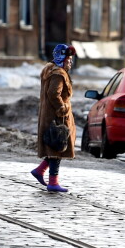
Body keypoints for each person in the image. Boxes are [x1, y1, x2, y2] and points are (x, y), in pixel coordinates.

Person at [32, 44, 77, 192]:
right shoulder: (58, 73)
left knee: (54, 148)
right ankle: (53, 182)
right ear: (61, 58)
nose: (70, 62)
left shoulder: (50, 70)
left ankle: (40, 171)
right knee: (57, 147)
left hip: (49, 115)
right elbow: (53, 94)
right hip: (56, 116)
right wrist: (62, 108)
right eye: (68, 59)